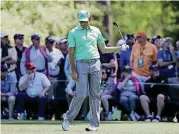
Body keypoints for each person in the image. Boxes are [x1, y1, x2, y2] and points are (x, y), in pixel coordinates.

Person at [62, 10, 127, 131]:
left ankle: (94, 124)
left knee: (95, 95)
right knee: (81, 94)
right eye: (81, 21)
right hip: (81, 63)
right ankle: (68, 118)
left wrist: (118, 48)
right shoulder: (73, 33)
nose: (83, 23)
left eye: (85, 21)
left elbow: (104, 49)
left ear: (89, 19)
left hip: (96, 63)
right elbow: (71, 54)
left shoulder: (96, 31)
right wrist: (73, 71)